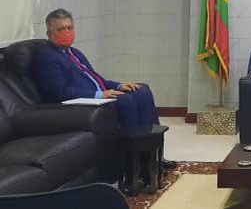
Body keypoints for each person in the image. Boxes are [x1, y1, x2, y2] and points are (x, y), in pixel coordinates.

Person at [33, 9, 176, 169]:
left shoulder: (74, 53)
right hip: (82, 103)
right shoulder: (47, 57)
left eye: (70, 28)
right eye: (61, 29)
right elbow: (60, 92)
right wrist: (99, 95)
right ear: (49, 33)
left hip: (98, 95)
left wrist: (118, 85)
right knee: (126, 100)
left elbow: (96, 79)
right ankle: (135, 162)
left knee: (142, 91)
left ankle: (155, 155)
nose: (67, 32)